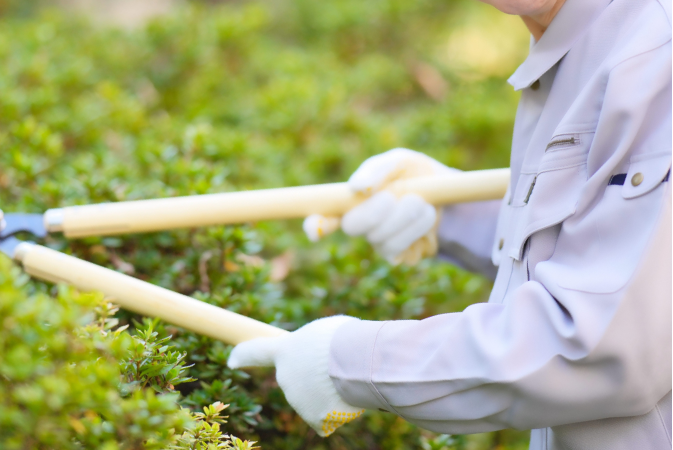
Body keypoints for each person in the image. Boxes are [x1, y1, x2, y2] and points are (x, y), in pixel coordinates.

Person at [227, 0, 673, 448]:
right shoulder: (578, 45)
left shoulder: (656, 54)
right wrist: (453, 216)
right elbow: (613, 253)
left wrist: (350, 361)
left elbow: (602, 347)